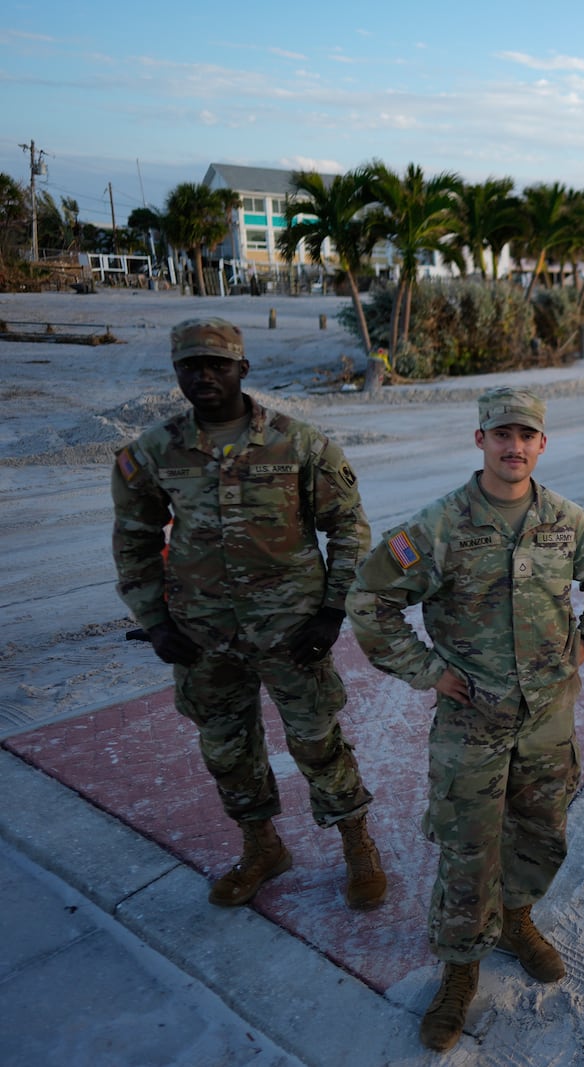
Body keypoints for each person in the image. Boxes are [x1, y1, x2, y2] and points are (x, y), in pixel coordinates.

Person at [346, 386, 584, 1052]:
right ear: (479, 440)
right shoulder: (440, 526)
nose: (514, 446)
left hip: (546, 721)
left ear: (542, 444)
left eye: (526, 436)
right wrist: (427, 670)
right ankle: (459, 968)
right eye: (501, 434)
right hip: (472, 721)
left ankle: (518, 920)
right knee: (468, 849)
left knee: (539, 831)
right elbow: (370, 597)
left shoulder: (567, 521)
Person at [110, 317, 387, 912]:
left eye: (217, 364)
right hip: (201, 636)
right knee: (227, 749)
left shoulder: (300, 444)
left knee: (317, 741)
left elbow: (348, 527)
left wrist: (333, 611)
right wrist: (155, 622)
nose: (204, 376)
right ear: (177, 371)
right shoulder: (153, 453)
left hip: (292, 631)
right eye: (191, 365)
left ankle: (356, 844)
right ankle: (262, 847)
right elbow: (133, 541)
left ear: (243, 368)